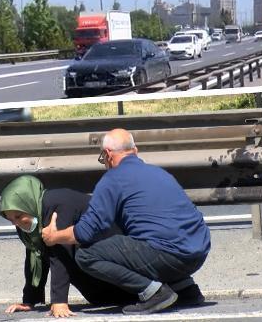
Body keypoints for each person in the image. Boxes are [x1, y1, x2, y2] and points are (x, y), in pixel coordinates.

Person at [42, 128, 211, 315]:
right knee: (143, 236)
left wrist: (54, 237)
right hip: (199, 251)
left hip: (168, 254)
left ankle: (155, 293)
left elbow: (86, 232)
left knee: (86, 255)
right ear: (135, 151)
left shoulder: (113, 179)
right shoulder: (159, 173)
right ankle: (187, 290)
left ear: (107, 154)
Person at [0, 175, 137, 318]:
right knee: (99, 298)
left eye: (18, 216)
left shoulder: (58, 205)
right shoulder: (31, 216)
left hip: (122, 259)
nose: (15, 224)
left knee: (60, 246)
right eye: (10, 219)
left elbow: (60, 253)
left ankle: (144, 292)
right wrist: (29, 301)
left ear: (29, 203)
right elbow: (35, 256)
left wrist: (59, 301)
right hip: (100, 281)